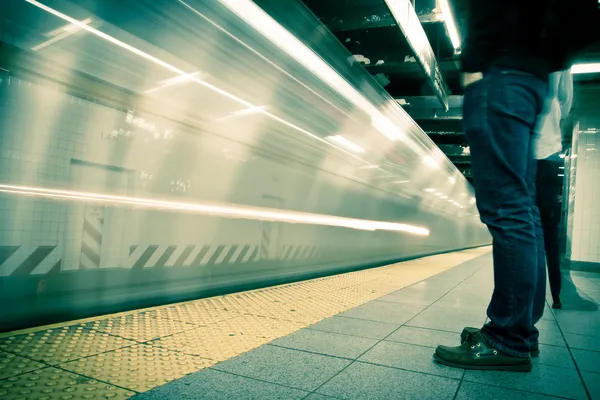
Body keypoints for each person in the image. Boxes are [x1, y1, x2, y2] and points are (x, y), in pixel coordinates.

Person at [432, 1, 554, 372]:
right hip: (532, 78)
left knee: (507, 211)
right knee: (523, 211)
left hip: (500, 75)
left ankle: (507, 337)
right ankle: (521, 333)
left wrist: (473, 68)